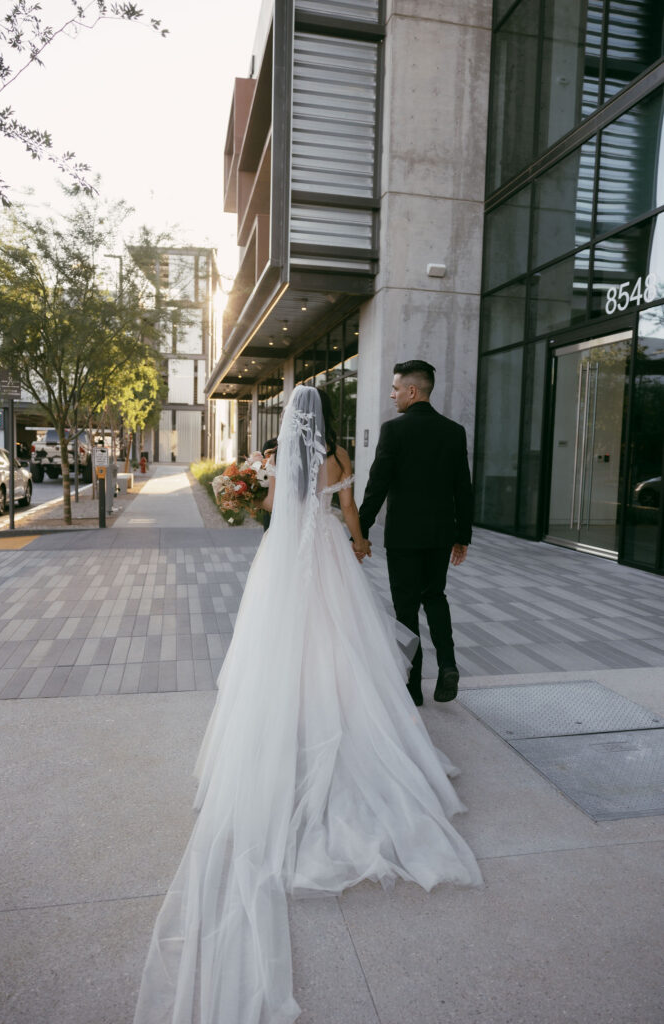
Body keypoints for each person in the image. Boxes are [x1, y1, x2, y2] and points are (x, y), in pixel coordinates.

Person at [133, 385, 481, 1024]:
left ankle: (282, 719)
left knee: (278, 646)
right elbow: (347, 510)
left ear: (291, 421)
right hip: (326, 561)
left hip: (282, 565)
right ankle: (351, 716)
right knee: (342, 644)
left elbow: (269, 509)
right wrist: (356, 543)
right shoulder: (338, 456)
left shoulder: (279, 461)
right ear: (326, 419)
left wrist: (249, 493)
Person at [358, 360, 473, 707]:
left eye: (395, 389)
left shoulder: (394, 430)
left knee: (406, 609)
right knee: (435, 596)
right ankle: (448, 665)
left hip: (404, 536)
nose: (392, 395)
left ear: (412, 390)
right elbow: (463, 488)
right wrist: (462, 536)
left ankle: (412, 686)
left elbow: (377, 485)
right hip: (440, 534)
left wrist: (358, 531)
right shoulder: (454, 431)